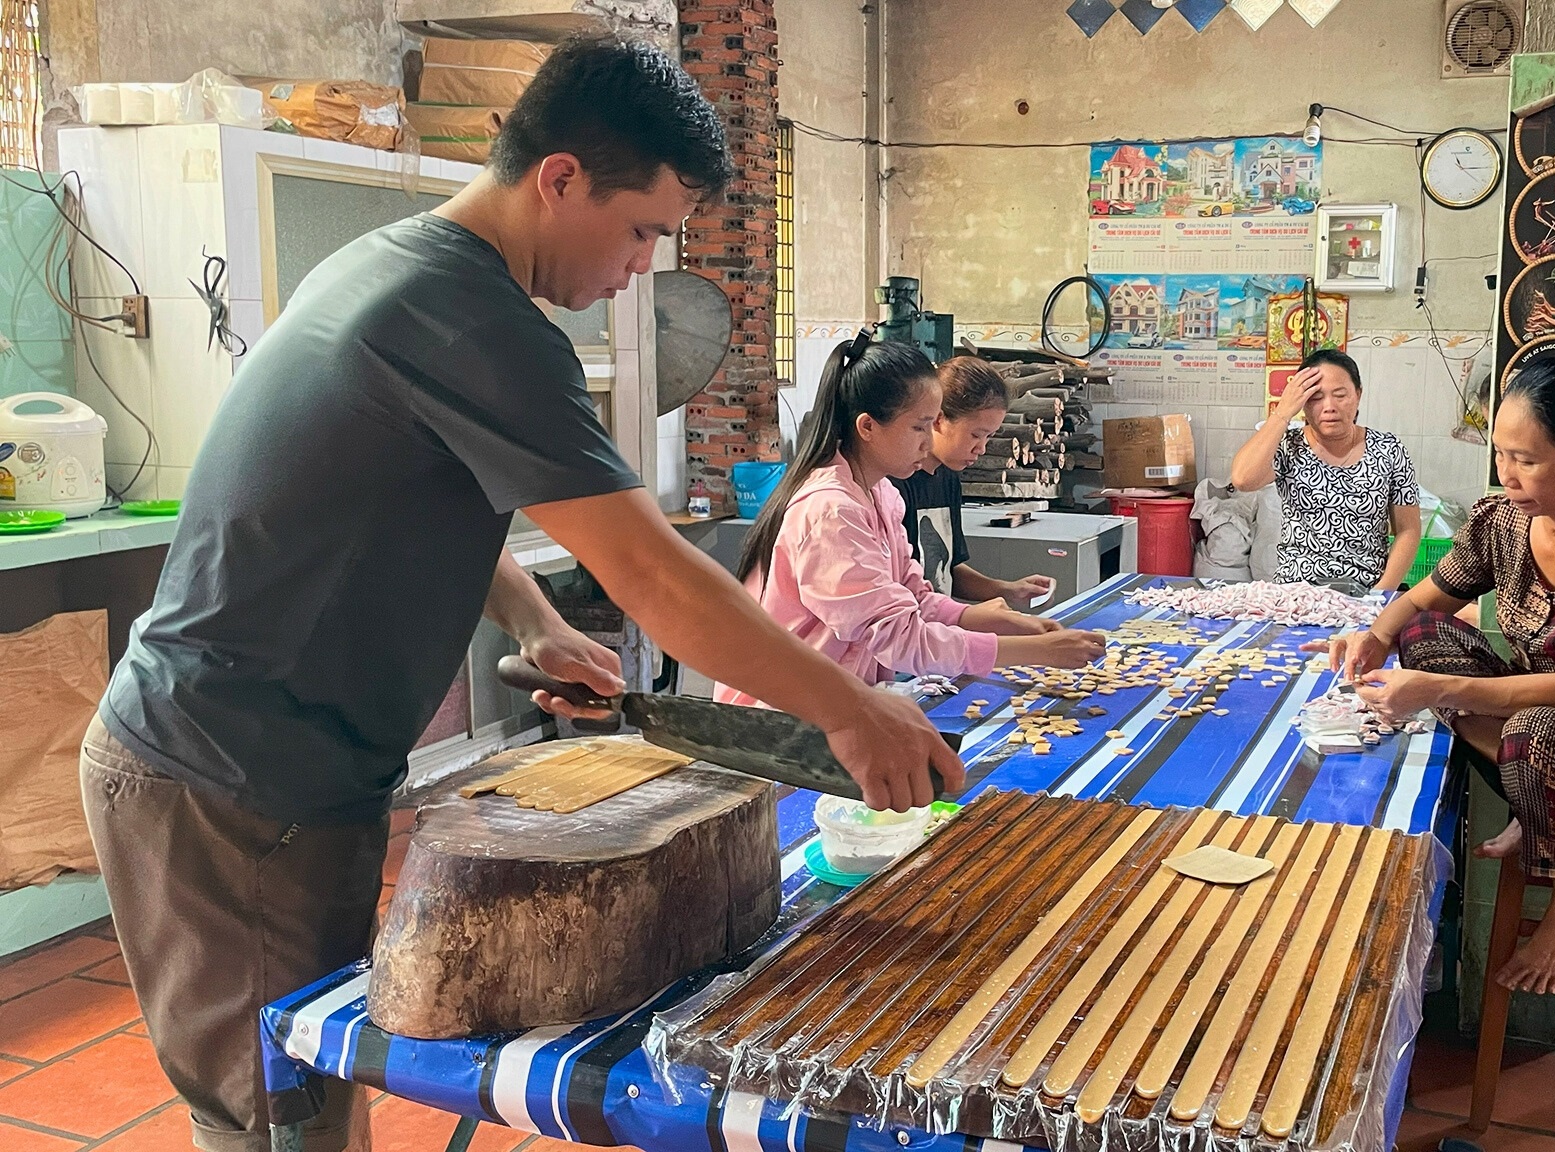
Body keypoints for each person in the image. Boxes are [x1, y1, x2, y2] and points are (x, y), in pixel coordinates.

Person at [81, 37, 962, 1152]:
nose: (643, 266)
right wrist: (846, 709)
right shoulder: (474, 318)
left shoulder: (397, 269)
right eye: (640, 230)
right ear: (559, 178)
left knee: (310, 1104)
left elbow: (403, 498)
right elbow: (651, 572)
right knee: (275, 1119)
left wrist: (535, 621)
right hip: (225, 777)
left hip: (275, 770)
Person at [1318, 355, 1555, 997]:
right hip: (1540, 725)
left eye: (1526, 460)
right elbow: (1424, 600)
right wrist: (1377, 636)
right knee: (1425, 638)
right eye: (1500, 454)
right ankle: (1539, 797)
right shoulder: (1504, 520)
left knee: (1539, 733)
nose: (1506, 474)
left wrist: (1436, 691)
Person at [717, 335, 1105, 708]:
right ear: (867, 427)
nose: (927, 441)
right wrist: (1033, 651)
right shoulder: (831, 512)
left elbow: (911, 596)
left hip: (835, 702)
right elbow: (899, 639)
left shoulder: (882, 494)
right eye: (919, 426)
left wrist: (982, 619)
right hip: (782, 714)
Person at [1228, 348, 1421, 591]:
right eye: (1316, 397)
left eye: (1340, 395)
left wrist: (1381, 593)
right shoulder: (1289, 446)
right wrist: (1283, 411)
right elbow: (1243, 479)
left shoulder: (1389, 449)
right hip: (1296, 591)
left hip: (1365, 590)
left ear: (1358, 395)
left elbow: (1408, 530)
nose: (1329, 407)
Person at [894, 356, 1058, 608]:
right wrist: (974, 616)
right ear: (938, 420)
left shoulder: (947, 478)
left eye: (989, 437)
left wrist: (1009, 590)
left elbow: (948, 568)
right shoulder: (895, 484)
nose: (981, 448)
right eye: (976, 435)